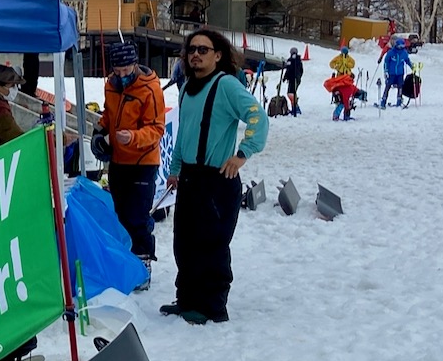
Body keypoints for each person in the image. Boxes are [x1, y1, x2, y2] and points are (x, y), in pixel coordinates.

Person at [159, 28, 268, 325]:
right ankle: (187, 300)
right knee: (184, 243)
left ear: (217, 55)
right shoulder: (187, 88)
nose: (195, 54)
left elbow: (258, 117)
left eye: (203, 50)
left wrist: (243, 154)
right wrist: (175, 169)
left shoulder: (227, 86)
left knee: (211, 245)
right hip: (191, 178)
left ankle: (212, 307)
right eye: (191, 49)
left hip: (217, 180)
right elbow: (183, 133)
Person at [91, 41, 166, 281]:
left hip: (143, 162)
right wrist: (99, 131)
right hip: (118, 160)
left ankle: (143, 264)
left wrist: (133, 137)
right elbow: (109, 113)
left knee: (137, 216)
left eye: (126, 70)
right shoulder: (111, 86)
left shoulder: (150, 89)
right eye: (117, 71)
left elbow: (157, 128)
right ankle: (124, 260)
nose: (122, 76)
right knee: (120, 214)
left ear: (134, 64)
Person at [378, 37, 414, 108]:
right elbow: (386, 62)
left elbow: (407, 60)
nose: (401, 47)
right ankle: (383, 101)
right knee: (388, 86)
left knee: (400, 87)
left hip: (400, 73)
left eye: (402, 46)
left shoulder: (404, 53)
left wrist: (412, 66)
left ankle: (399, 101)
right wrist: (386, 71)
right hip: (391, 73)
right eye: (400, 46)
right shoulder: (391, 52)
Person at [283, 47, 304, 115]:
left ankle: (296, 108)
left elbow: (288, 69)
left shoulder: (291, 60)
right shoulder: (299, 60)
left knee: (290, 93)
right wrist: (299, 77)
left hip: (293, 79)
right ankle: (295, 108)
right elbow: (301, 70)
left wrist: (285, 77)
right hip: (296, 79)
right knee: (293, 93)